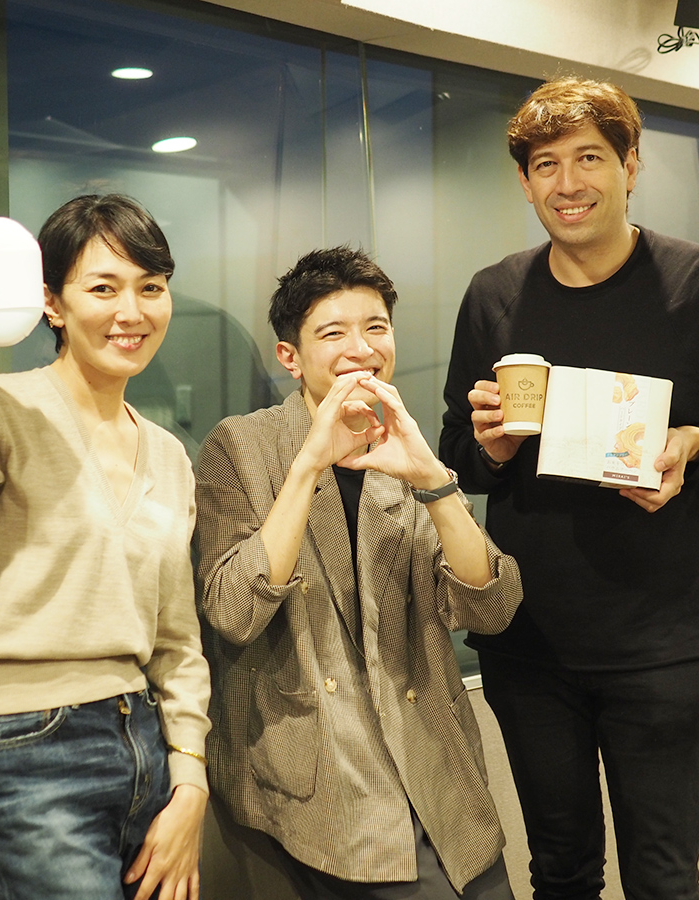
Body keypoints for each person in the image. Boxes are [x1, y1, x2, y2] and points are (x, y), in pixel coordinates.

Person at [439, 78, 699, 900]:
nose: (568, 183)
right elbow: (458, 457)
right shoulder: (495, 294)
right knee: (561, 870)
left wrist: (697, 446)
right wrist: (491, 450)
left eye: (589, 158)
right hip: (528, 638)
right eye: (547, 165)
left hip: (663, 639)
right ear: (525, 182)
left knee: (663, 876)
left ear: (631, 166)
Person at [0, 194, 210, 900]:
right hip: (24, 747)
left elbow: (177, 641)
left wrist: (190, 779)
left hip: (147, 743)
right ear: (52, 303)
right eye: (103, 288)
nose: (131, 312)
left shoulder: (169, 454)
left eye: (150, 288)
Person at [194, 246, 523, 900]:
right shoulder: (242, 445)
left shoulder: (401, 441)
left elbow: (492, 609)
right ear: (290, 357)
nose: (362, 348)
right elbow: (233, 611)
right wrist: (309, 464)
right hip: (319, 779)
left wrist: (433, 481)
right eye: (333, 333)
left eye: (376, 327)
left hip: (431, 763)